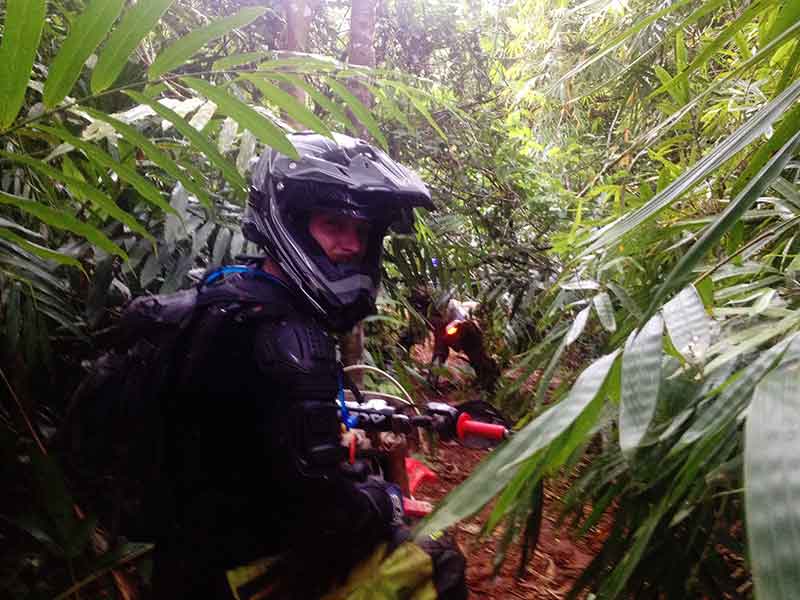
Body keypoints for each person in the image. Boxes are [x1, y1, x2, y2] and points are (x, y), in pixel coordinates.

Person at [150, 133, 467, 599]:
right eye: (333, 223)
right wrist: (387, 500)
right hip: (243, 572)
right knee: (437, 561)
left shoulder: (228, 299)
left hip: (185, 555)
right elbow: (328, 520)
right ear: (291, 223)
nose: (351, 244)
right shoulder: (290, 342)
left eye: (360, 230)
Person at [407, 289, 500, 392]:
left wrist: (457, 323)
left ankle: (488, 383)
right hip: (448, 331)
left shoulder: (450, 305)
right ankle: (432, 381)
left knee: (477, 357)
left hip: (465, 332)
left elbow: (462, 318)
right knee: (440, 352)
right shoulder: (427, 314)